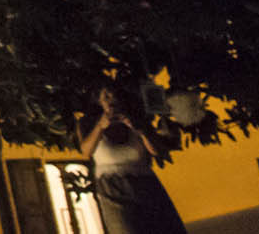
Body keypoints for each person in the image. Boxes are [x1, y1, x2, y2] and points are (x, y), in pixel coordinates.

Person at [77, 85, 187, 234]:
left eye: (115, 96)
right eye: (106, 97)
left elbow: (155, 151)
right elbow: (86, 152)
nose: (112, 100)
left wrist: (140, 130)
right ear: (99, 101)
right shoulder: (88, 123)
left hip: (145, 182)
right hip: (112, 187)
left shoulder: (135, 119)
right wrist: (100, 127)